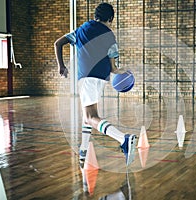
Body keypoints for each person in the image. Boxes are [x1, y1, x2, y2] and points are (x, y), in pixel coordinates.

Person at [54, 3, 136, 167]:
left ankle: (123, 138)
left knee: (91, 117)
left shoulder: (81, 30)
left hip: (87, 78)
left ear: (95, 15)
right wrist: (122, 72)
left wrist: (61, 66)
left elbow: (58, 43)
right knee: (88, 116)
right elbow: (113, 68)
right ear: (111, 18)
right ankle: (83, 151)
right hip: (101, 78)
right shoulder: (110, 35)